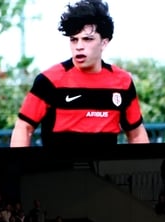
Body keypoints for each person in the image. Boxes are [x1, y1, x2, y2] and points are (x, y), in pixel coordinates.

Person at [9, 0, 150, 148]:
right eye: (74, 40)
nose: (79, 47)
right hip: (60, 169)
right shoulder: (49, 80)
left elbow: (136, 134)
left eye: (87, 39)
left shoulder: (123, 81)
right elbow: (23, 128)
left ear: (104, 43)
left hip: (103, 170)